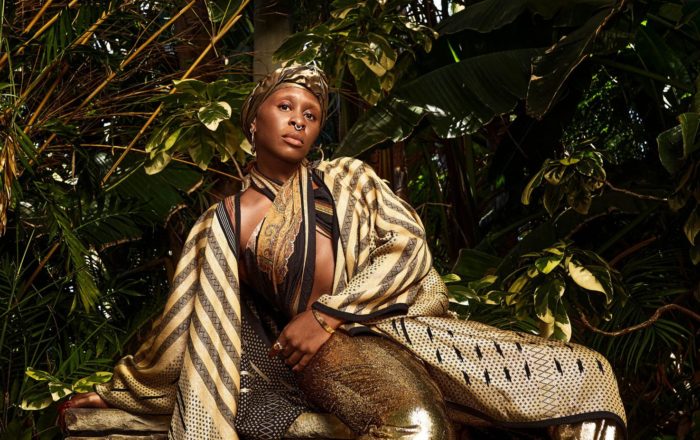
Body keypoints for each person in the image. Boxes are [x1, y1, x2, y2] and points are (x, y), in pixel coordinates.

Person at [65, 65, 626, 440]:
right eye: (285, 106)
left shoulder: (348, 179)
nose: (298, 120)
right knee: (417, 425)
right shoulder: (223, 222)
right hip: (323, 355)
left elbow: (407, 247)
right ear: (254, 121)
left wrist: (329, 313)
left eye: (310, 115)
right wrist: (119, 394)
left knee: (589, 376)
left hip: (398, 327)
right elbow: (183, 326)